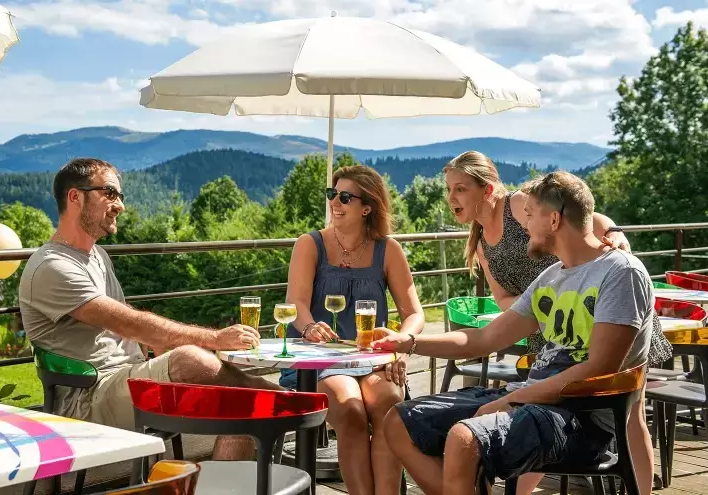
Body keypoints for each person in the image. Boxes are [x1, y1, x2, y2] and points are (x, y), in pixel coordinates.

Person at [373, 171, 655, 495]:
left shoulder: (621, 272)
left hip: (581, 417)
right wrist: (409, 342)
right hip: (531, 398)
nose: (524, 224)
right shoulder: (551, 277)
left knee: (465, 439)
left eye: (530, 215)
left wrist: (511, 398)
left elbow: (598, 367)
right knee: (399, 422)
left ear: (553, 220)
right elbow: (484, 338)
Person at [19, 157, 281, 460]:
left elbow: (127, 326)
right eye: (109, 193)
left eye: (120, 196)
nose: (120, 205)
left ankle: (260, 412)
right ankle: (277, 395)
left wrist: (155, 349)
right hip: (89, 397)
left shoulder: (97, 256)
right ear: (75, 196)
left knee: (244, 407)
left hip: (123, 381)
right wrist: (215, 339)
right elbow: (128, 323)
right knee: (190, 359)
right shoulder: (53, 266)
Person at [442, 151, 671, 493]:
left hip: (599, 304)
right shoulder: (479, 244)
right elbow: (503, 297)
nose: (450, 199)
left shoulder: (519, 204)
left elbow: (580, 214)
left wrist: (615, 233)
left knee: (630, 408)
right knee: (548, 403)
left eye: (459, 189)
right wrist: (529, 309)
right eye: (449, 190)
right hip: (550, 320)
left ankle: (637, 486)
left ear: (486, 188)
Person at [282, 165, 425, 495]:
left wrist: (400, 344)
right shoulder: (310, 244)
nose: (335, 202)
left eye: (345, 197)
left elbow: (414, 313)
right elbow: (296, 306)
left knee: (390, 405)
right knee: (349, 408)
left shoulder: (388, 250)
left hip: (372, 357)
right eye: (333, 194)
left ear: (367, 207)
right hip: (319, 358)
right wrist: (309, 327)